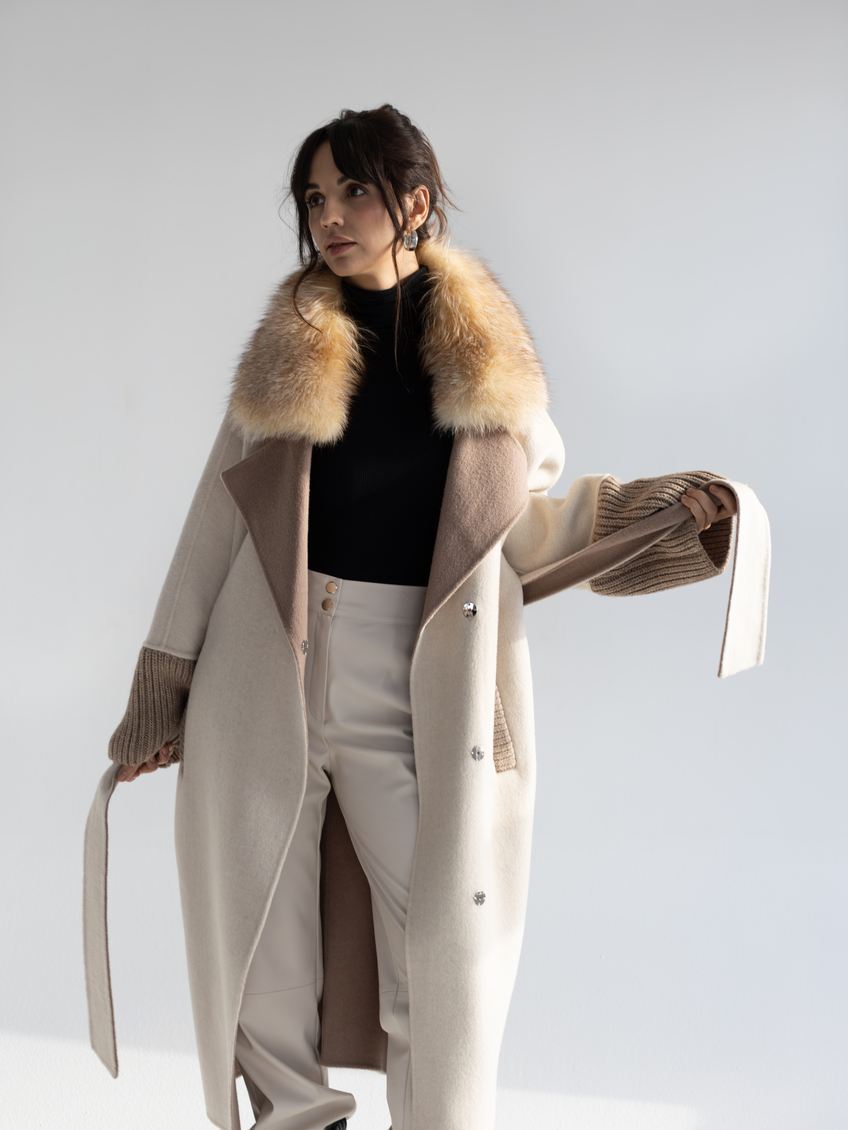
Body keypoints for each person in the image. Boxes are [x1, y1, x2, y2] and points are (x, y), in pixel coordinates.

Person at [88, 105, 756, 1130]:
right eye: (314, 197)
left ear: (415, 201)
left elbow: (522, 531)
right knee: (259, 931)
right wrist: (161, 690)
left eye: (353, 191)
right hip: (262, 668)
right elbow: (212, 527)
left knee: (440, 949)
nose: (329, 216)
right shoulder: (287, 355)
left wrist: (662, 516)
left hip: (415, 673)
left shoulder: (484, 367)